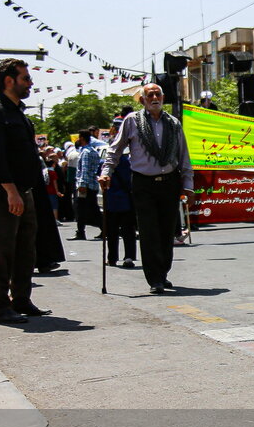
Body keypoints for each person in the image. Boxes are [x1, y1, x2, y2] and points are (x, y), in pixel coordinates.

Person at [99, 83, 195, 295]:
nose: (154, 97)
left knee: (166, 230)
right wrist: (107, 172)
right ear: (142, 100)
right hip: (143, 183)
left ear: (163, 97)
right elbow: (115, 150)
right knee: (149, 231)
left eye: (158, 94)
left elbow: (183, 157)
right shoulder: (132, 121)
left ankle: (163, 272)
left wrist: (189, 186)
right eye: (150, 94)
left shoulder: (174, 123)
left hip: (169, 182)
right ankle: (155, 278)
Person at [0, 58, 50, 324]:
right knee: (1, 249)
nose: (30, 83)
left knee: (25, 249)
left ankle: (21, 299)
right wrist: (11, 191)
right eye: (26, 78)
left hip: (23, 189)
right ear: (9, 80)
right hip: (3, 191)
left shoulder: (17, 112)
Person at [102, 118, 137, 269]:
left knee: (112, 232)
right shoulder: (129, 162)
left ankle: (112, 258)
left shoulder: (105, 163)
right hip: (127, 200)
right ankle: (129, 256)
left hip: (111, 200)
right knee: (128, 231)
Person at [70, 130, 103, 240]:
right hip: (92, 185)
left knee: (83, 209)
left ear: (82, 138)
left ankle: (82, 232)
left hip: (86, 186)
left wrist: (82, 184)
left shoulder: (86, 152)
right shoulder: (93, 151)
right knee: (91, 209)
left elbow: (84, 169)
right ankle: (82, 231)